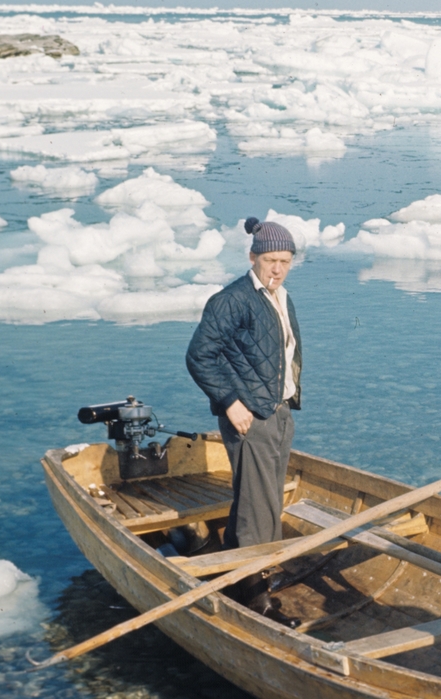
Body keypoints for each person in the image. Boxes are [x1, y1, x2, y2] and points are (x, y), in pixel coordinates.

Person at [186, 216, 302, 627]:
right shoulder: (232, 299)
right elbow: (199, 356)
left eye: (285, 260)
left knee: (264, 495)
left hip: (278, 411)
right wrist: (231, 403)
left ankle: (236, 572)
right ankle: (256, 597)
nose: (277, 268)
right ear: (252, 257)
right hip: (249, 416)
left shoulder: (280, 296)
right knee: (258, 503)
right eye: (270, 259)